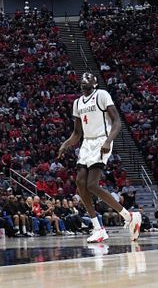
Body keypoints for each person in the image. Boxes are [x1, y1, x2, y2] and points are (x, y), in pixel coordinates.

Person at [58, 72, 141, 243]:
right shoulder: (77, 103)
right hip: (87, 143)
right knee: (80, 183)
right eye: (82, 82)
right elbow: (77, 133)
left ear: (94, 84)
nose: (83, 84)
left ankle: (127, 215)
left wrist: (109, 141)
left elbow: (117, 121)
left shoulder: (102, 95)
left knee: (92, 185)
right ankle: (99, 227)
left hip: (102, 140)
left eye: (87, 82)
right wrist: (66, 144)